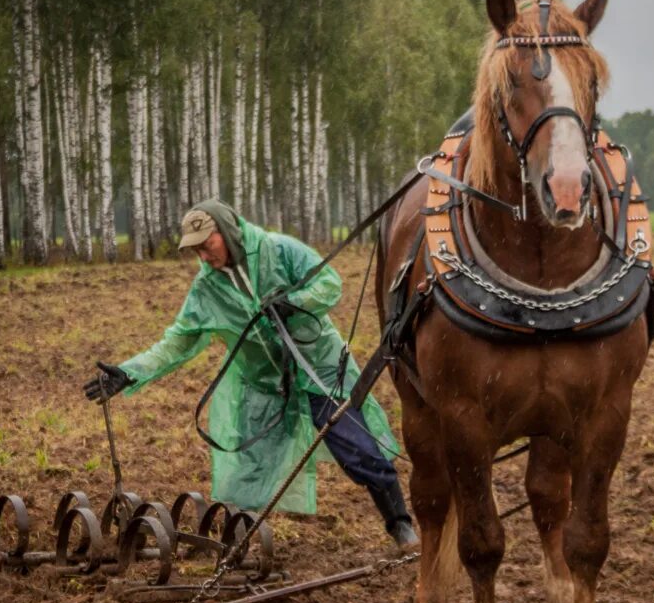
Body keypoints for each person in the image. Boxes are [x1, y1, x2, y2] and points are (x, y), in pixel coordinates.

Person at [83, 199, 418, 550]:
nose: (203, 256)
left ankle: (400, 526)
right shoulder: (207, 289)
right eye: (195, 249)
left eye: (206, 244)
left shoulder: (280, 250)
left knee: (358, 449)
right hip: (263, 385)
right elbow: (177, 342)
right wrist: (129, 372)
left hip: (317, 367)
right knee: (247, 469)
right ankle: (236, 542)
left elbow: (330, 283)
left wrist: (293, 302)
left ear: (227, 231)